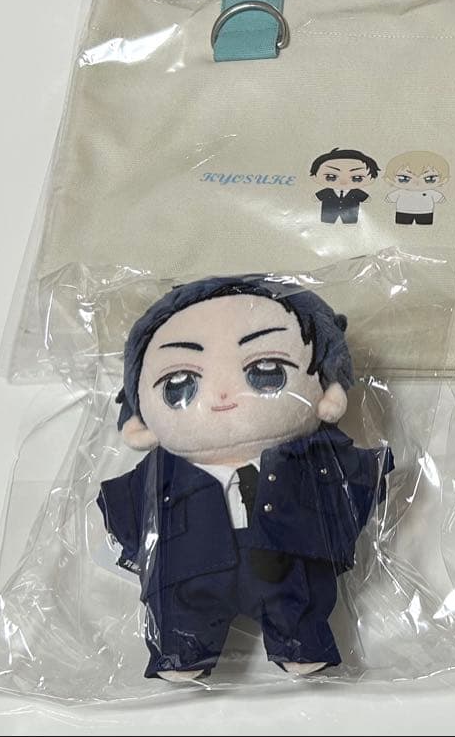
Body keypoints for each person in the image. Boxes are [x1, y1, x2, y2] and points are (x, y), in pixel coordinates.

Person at [97, 276, 392, 681]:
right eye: (179, 384)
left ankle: (300, 639)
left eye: (266, 371)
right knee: (179, 607)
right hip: (192, 564)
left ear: (326, 390)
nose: (223, 395)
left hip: (286, 561)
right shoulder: (162, 473)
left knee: (300, 595)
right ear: (140, 417)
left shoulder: (309, 457)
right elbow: (132, 510)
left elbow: (351, 482)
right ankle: (182, 647)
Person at [310, 148, 379, 224]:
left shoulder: (356, 193)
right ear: (314, 176)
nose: (343, 182)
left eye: (357, 178)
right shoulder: (327, 192)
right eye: (331, 176)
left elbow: (367, 199)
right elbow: (315, 198)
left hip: (351, 220)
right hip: (327, 220)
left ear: (372, 179)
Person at [383, 150, 450, 225]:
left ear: (443, 180)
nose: (417, 183)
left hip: (425, 212)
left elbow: (441, 200)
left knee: (425, 227)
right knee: (402, 226)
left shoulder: (431, 193)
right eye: (404, 178)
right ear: (389, 179)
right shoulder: (400, 192)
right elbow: (389, 199)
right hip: (403, 211)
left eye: (429, 178)